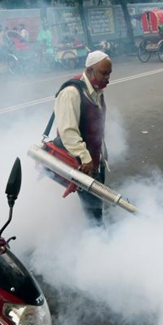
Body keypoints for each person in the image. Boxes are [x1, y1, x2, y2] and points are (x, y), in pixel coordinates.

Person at [51, 51, 112, 224]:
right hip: (83, 163)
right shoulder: (71, 92)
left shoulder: (95, 89)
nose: (107, 78)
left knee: (96, 205)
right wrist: (85, 158)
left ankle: (97, 231)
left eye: (109, 73)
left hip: (94, 160)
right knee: (93, 210)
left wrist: (101, 155)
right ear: (90, 71)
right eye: (103, 73)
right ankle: (96, 236)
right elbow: (68, 131)